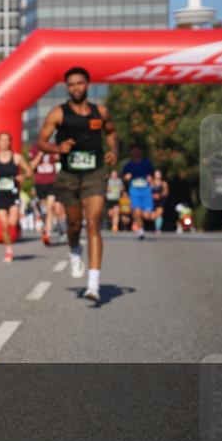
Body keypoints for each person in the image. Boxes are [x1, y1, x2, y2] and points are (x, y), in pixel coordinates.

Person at [37, 67, 118, 302]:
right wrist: (57, 148)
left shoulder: (100, 112)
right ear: (67, 88)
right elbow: (41, 141)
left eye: (79, 83)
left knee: (93, 223)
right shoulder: (58, 114)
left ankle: (93, 284)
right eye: (71, 84)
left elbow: (111, 133)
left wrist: (113, 151)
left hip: (95, 173)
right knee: (74, 224)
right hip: (69, 175)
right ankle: (75, 250)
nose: (75, 88)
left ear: (87, 85)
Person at [0, 131, 33, 262]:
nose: (5, 142)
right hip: (1, 195)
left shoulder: (16, 158)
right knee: (4, 225)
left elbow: (29, 171)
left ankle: (17, 225)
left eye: (7, 140)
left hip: (13, 194)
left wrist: (22, 176)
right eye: (2, 140)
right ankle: (8, 249)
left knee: (12, 222)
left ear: (10, 142)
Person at [122, 144, 155, 241]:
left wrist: (150, 178)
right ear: (131, 152)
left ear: (141, 152)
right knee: (137, 212)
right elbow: (123, 176)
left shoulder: (146, 163)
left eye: (137, 150)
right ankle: (141, 231)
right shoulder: (129, 164)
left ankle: (145, 224)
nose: (135, 152)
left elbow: (152, 174)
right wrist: (126, 177)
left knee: (147, 215)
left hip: (146, 191)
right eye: (134, 150)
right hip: (134, 191)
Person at [29, 145, 60, 245]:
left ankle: (48, 233)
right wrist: (40, 154)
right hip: (40, 183)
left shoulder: (52, 147)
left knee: (50, 206)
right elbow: (31, 167)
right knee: (44, 210)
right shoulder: (34, 149)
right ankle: (44, 225)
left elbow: (59, 158)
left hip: (52, 182)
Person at [150, 169, 169, 234]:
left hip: (161, 200)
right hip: (152, 201)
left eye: (159, 174)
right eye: (156, 174)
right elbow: (147, 191)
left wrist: (159, 195)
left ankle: (158, 228)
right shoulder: (151, 183)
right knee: (152, 216)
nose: (157, 175)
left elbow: (166, 192)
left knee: (159, 214)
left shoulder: (164, 183)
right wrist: (152, 195)